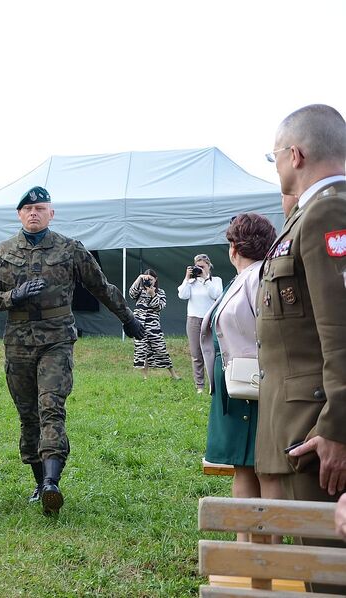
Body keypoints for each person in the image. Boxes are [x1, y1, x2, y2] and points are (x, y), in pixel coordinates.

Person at [0, 186, 145, 515]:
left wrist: (128, 318)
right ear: (19, 214)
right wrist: (14, 295)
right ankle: (40, 482)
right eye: (27, 209)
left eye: (40, 208)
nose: (33, 213)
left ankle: (53, 482)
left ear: (51, 213)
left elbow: (101, 287)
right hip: (18, 341)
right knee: (28, 416)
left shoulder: (70, 250)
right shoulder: (3, 251)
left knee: (50, 407)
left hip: (56, 338)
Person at [256, 105, 346, 580]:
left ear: (295, 153)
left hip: (320, 430)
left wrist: (337, 429)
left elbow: (342, 332)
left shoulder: (329, 209)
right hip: (301, 426)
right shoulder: (307, 214)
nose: (276, 169)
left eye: (274, 158)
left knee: (329, 571)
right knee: (315, 567)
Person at [201, 214, 281, 541]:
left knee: (268, 468)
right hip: (238, 385)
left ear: (233, 247)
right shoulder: (243, 276)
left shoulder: (260, 275)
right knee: (244, 465)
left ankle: (270, 550)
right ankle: (244, 547)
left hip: (258, 384)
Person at [177, 253, 222, 393]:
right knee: (196, 354)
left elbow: (217, 295)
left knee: (212, 352)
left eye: (202, 266)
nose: (199, 269)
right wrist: (187, 278)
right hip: (193, 319)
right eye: (197, 267)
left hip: (210, 319)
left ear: (209, 266)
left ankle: (213, 383)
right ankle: (200, 386)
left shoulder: (215, 280)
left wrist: (205, 279)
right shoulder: (191, 282)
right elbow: (182, 295)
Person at [129, 269, 181, 380]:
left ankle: (173, 374)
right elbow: (131, 293)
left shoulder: (160, 292)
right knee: (142, 350)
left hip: (153, 326)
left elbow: (160, 306)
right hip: (140, 325)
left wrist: (152, 294)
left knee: (161, 349)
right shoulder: (140, 291)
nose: (149, 281)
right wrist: (139, 278)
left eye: (151, 279)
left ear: (155, 279)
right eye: (146, 279)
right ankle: (145, 377)